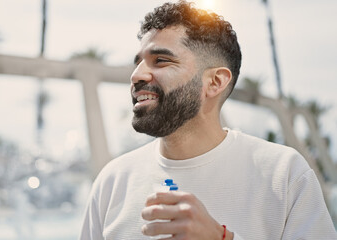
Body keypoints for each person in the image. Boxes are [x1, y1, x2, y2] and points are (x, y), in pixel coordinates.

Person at [79, 1, 337, 239]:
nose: (136, 75)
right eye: (138, 63)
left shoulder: (285, 174)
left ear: (214, 82)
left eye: (161, 60)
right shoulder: (113, 181)